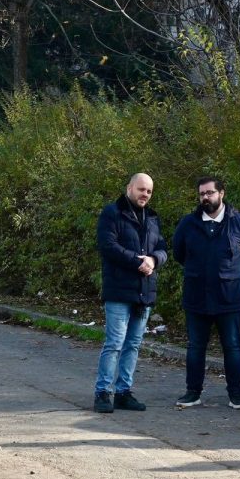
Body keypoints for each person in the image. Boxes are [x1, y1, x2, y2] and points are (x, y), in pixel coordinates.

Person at [172, 177, 240, 410]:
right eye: (202, 193)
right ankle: (193, 393)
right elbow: (178, 253)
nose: (205, 197)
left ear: (221, 193)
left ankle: (236, 395)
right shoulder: (188, 224)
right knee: (195, 347)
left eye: (210, 192)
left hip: (229, 297)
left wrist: (234, 274)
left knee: (232, 346)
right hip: (197, 296)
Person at [93, 173, 168, 413]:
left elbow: (162, 248)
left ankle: (124, 392)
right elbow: (108, 246)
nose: (145, 194)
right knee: (114, 343)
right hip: (118, 290)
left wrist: (154, 260)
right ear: (129, 188)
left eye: (149, 191)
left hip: (144, 291)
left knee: (133, 344)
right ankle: (103, 393)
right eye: (141, 189)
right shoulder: (112, 213)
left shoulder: (153, 218)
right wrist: (138, 262)